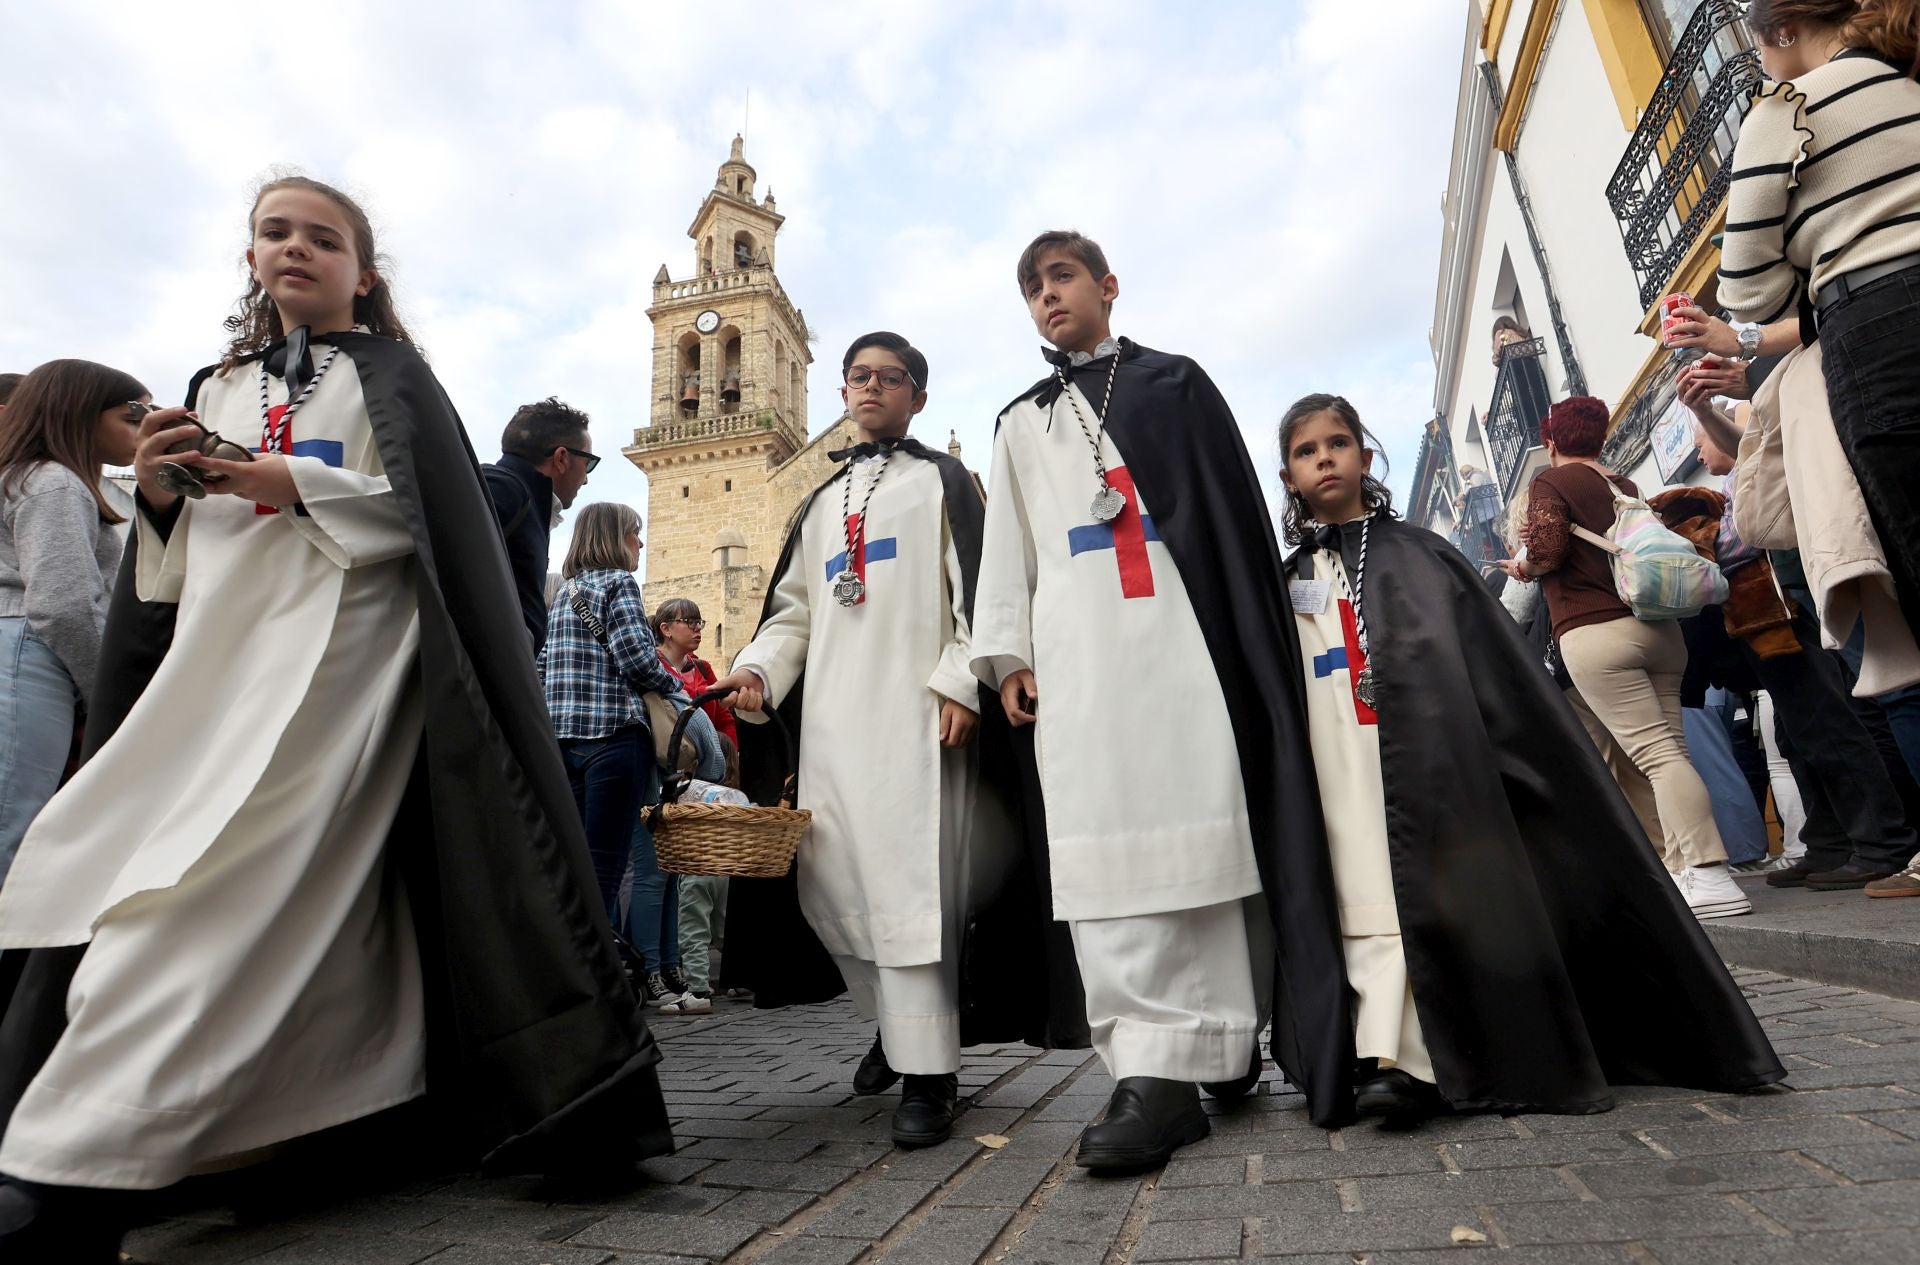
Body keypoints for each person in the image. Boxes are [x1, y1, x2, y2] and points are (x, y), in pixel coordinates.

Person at [0, 176, 668, 1260]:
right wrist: (166, 497)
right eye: (276, 232)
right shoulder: (212, 386)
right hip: (220, 668)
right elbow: (163, 579)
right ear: (251, 258)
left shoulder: (392, 378)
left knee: (220, 879)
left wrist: (292, 485)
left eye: (325, 236)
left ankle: (75, 1161)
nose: (296, 248)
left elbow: (431, 522)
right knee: (252, 888)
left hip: (340, 660)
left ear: (366, 271)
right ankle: (293, 1123)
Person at [1279, 393, 1783, 1122]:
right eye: (1305, 450)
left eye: (1337, 442)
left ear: (1365, 455)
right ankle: (1367, 1044)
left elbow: (1486, 671)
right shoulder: (1286, 577)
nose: (1324, 457)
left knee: (1411, 892)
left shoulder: (1421, 556)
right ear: (1290, 474)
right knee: (1355, 893)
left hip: (1419, 758)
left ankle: (1412, 1058)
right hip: (1335, 757)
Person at [971, 231, 1340, 1166]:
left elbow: (1227, 525)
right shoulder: (1021, 421)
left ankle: (1219, 1046)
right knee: (1104, 857)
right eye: (1032, 287)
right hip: (1079, 665)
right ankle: (1149, 1073)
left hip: (1185, 650)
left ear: (1107, 286)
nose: (1047, 297)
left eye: (1062, 277)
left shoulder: (1175, 385)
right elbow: (1004, 551)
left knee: (1207, 837)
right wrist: (1007, 654)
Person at [716, 331, 1066, 1148]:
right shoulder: (818, 503)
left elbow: (976, 589)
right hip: (835, 725)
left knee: (913, 893)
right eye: (858, 376)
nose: (871, 387)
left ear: (918, 394)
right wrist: (759, 673)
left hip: (917, 721)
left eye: (890, 376)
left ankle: (929, 1073)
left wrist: (960, 682)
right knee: (833, 889)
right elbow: (793, 612)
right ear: (843, 391)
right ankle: (895, 1022)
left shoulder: (940, 482)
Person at [1501, 397, 1749, 919]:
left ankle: (1708, 872)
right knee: (1670, 753)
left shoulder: (1552, 483)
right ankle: (1686, 871)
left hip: (1596, 631)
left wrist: (1524, 568)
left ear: (1550, 443)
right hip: (1658, 630)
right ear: (1601, 439)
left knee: (1655, 758)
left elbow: (1547, 549)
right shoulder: (1625, 486)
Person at [1718, 0, 1920, 636]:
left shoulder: (1785, 111)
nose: (1762, 65)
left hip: (1878, 329)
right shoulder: (1906, 85)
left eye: (1760, 49)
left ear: (1785, 31)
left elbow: (1747, 293)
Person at [1655, 418, 1919, 889]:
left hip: (1783, 612)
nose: (1699, 455)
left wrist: (1704, 539)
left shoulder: (1754, 476)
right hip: (1764, 617)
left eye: (1701, 444)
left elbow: (1751, 537)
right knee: (1797, 732)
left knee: (1826, 725)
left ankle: (1882, 843)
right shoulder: (1733, 484)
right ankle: (1830, 841)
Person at [540, 501, 694, 1010]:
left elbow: (542, 668)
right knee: (608, 864)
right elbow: (634, 657)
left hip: (566, 742)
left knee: (582, 862)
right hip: (612, 736)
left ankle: (573, 970)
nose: (641, 544)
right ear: (616, 537)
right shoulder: (619, 585)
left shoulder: (563, 596)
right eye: (635, 534)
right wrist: (671, 687)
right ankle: (599, 983)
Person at [0, 362, 145, 883]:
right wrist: (105, 695)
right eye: (132, 415)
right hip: (27, 656)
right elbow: (64, 604)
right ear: (80, 413)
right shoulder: (54, 480)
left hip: (19, 647)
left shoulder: (23, 476)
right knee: (10, 830)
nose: (143, 427)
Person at [654, 597, 732, 1013]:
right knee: (689, 890)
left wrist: (725, 760)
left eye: (701, 621)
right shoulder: (657, 669)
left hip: (707, 788)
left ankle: (703, 984)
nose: (699, 628)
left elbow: (720, 723)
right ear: (666, 627)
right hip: (678, 784)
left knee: (702, 894)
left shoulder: (702, 670)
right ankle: (684, 974)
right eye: (690, 622)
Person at [484, 397, 596, 652]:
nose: (586, 479)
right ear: (561, 458)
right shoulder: (502, 490)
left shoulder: (517, 495)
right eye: (588, 463)